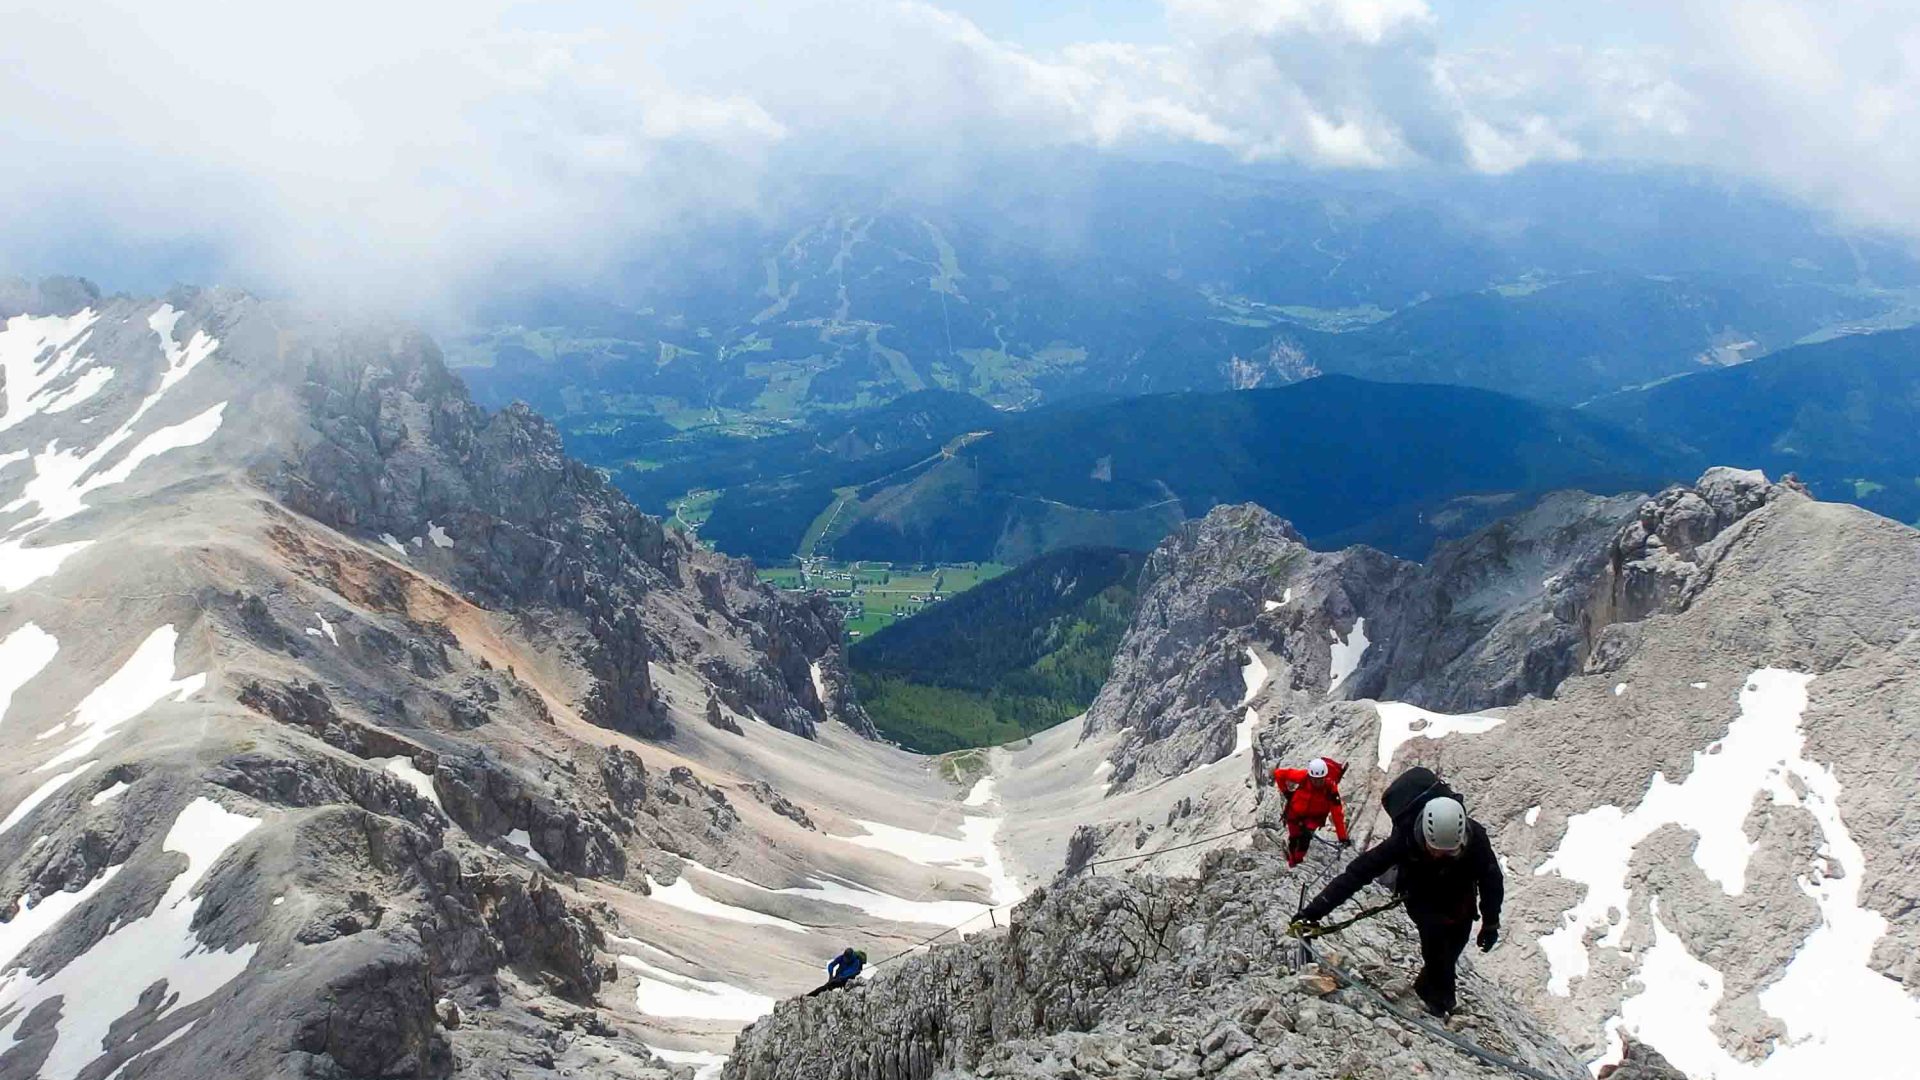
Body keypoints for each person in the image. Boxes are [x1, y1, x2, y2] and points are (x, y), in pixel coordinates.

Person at [1292, 767, 1502, 1017]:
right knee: (1434, 941)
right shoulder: (1404, 840)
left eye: (1450, 853)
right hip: (1420, 893)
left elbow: (1491, 880)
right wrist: (1314, 912)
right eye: (1435, 850)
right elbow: (1357, 874)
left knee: (1453, 946)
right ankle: (1440, 1004)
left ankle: (1427, 990)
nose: (1441, 856)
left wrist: (1491, 923)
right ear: (1423, 834)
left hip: (1460, 897)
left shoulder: (1476, 839)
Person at [1271, 756, 1351, 867]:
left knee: (1305, 837)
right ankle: (1292, 859)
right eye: (1315, 779)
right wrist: (1286, 793)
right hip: (1295, 813)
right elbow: (1279, 774)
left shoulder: (1330, 788)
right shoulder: (1303, 776)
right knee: (1294, 838)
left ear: (1325, 776)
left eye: (1320, 779)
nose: (1318, 782)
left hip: (1313, 819)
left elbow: (1337, 813)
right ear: (1310, 776)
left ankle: (1296, 862)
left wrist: (1342, 837)